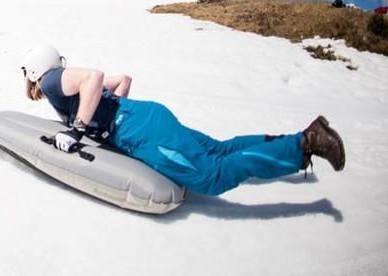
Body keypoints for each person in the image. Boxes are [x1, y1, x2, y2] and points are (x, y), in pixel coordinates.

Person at [20, 44, 345, 196]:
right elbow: (122, 81)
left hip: (139, 129)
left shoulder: (50, 82)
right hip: (145, 117)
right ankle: (297, 144)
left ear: (35, 70)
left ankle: (306, 143)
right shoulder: (60, 81)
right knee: (218, 150)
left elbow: (95, 76)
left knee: (210, 176)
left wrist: (80, 129)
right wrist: (112, 117)